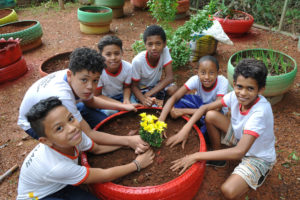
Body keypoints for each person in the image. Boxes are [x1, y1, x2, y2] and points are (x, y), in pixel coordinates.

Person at [169, 58, 276, 199]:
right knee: (211, 115)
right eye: (239, 86)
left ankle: (262, 170)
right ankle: (219, 158)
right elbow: (205, 107)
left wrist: (196, 156)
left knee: (228, 190)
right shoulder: (234, 96)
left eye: (250, 88)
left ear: (261, 90)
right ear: (234, 84)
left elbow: (239, 152)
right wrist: (185, 129)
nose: (243, 93)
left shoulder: (260, 112)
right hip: (241, 139)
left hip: (256, 156)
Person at [17, 97, 155, 200]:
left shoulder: (73, 136)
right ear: (45, 141)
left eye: (70, 119)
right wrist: (137, 164)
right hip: (38, 196)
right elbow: (104, 175)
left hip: (59, 183)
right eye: (59, 128)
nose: (71, 128)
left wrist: (127, 143)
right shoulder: (56, 166)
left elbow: (98, 149)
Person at [18, 47, 149, 154]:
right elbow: (89, 133)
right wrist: (128, 141)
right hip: (36, 122)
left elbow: (91, 101)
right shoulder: (62, 96)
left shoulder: (76, 74)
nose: (90, 87)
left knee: (105, 125)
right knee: (76, 147)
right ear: (70, 75)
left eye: (95, 80)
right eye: (84, 80)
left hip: (67, 108)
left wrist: (123, 106)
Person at [159, 55, 228, 147]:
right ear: (197, 73)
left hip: (214, 113)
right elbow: (174, 97)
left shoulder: (222, 81)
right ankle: (183, 122)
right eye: (203, 73)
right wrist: (160, 121)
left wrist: (183, 111)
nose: (207, 77)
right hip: (199, 106)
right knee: (178, 101)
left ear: (217, 73)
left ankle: (198, 132)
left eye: (211, 73)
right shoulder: (195, 80)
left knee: (204, 132)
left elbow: (216, 110)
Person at [131, 24, 177, 107]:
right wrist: (143, 99)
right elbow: (134, 86)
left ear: (164, 44)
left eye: (158, 44)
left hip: (154, 87)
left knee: (173, 89)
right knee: (151, 108)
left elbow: (170, 77)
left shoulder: (164, 51)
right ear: (145, 45)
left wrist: (149, 93)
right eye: (150, 44)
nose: (154, 48)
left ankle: (165, 109)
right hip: (142, 90)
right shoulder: (138, 61)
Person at [96, 35, 136, 116]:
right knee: (110, 113)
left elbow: (127, 87)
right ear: (100, 55)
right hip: (106, 98)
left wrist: (126, 100)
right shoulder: (98, 71)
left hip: (122, 96)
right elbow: (98, 95)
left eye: (117, 53)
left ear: (122, 53)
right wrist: (121, 105)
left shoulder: (128, 67)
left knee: (135, 107)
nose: (113, 58)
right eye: (108, 54)